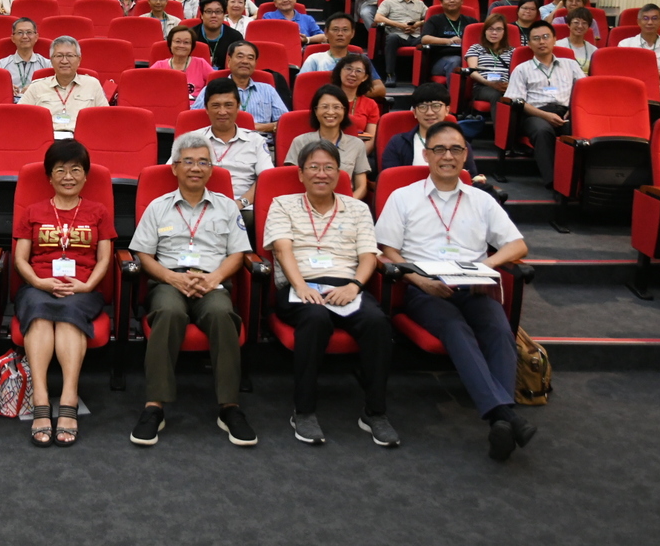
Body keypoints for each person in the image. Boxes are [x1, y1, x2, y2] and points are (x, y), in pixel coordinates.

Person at [374, 121, 533, 461]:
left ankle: (499, 421)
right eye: (440, 150)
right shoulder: (403, 198)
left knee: (499, 330)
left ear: (466, 155)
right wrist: (418, 280)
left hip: (473, 286)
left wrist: (486, 268)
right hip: (425, 289)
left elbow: (517, 245)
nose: (448, 156)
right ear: (426, 155)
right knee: (455, 329)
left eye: (456, 149)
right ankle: (505, 415)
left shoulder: (481, 200)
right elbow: (387, 250)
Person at [264, 139, 398, 447]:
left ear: (340, 174)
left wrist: (354, 286)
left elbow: (368, 256)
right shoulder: (283, 204)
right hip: (301, 286)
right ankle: (304, 411)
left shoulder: (357, 208)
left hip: (345, 285)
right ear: (300, 174)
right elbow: (283, 251)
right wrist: (301, 287)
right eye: (313, 167)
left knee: (377, 323)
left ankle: (375, 412)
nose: (321, 174)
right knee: (315, 317)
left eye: (328, 168)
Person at [128, 132, 256, 448]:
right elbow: (143, 255)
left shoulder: (227, 207)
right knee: (169, 312)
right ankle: (154, 406)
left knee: (222, 313)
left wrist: (214, 279)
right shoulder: (158, 207)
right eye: (188, 161)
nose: (195, 168)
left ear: (212, 169)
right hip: (169, 281)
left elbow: (238, 254)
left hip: (211, 281)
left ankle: (229, 406)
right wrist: (171, 278)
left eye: (203, 162)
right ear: (174, 167)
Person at [14, 140, 116, 446]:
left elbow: (104, 258)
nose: (68, 176)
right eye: (60, 170)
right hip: (38, 286)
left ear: (85, 176)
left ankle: (69, 395)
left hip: (82, 288)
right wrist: (40, 282)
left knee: (70, 315)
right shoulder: (33, 211)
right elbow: (20, 258)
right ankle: (41, 399)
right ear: (49, 176)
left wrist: (86, 286)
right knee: (40, 316)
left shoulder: (98, 212)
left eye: (75, 170)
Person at [504, 20, 586, 183]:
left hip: (566, 112)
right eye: (536, 38)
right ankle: (554, 182)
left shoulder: (570, 64)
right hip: (535, 115)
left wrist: (572, 108)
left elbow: (584, 90)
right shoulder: (522, 69)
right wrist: (545, 115)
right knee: (542, 131)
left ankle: (579, 181)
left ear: (555, 39)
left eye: (546, 37)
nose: (541, 42)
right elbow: (516, 101)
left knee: (579, 132)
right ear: (529, 43)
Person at [184, 78, 272, 226]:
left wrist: (241, 202)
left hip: (242, 208)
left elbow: (266, 179)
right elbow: (174, 172)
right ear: (206, 108)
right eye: (216, 106)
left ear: (238, 106)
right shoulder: (191, 140)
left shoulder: (255, 141)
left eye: (228, 105)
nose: (222, 112)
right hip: (198, 204)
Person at [284, 85, 370, 199]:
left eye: (336, 107)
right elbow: (292, 184)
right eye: (324, 107)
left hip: (345, 206)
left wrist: (347, 206)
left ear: (344, 111)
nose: (330, 112)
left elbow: (362, 186)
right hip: (306, 205)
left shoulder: (357, 144)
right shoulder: (300, 142)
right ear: (316, 110)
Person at [193, 40, 289, 141]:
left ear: (255, 63)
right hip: (219, 142)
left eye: (250, 58)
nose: (245, 61)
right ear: (229, 61)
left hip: (261, 144)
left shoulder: (268, 90)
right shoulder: (212, 88)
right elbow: (195, 120)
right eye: (240, 56)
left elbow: (284, 123)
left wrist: (257, 127)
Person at [381, 83, 481, 177]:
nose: (429, 112)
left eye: (436, 106)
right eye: (423, 107)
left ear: (447, 110)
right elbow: (391, 179)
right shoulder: (398, 143)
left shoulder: (460, 144)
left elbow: (470, 179)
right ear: (415, 112)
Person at [19, 36, 109, 133]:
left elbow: (104, 118)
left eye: (70, 56)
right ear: (51, 60)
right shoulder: (36, 87)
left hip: (81, 141)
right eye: (59, 56)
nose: (64, 61)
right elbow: (20, 118)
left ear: (79, 60)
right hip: (47, 140)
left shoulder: (92, 84)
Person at [301, 15, 386, 99]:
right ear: (326, 33)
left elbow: (380, 89)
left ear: (352, 33)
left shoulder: (361, 61)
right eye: (335, 30)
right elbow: (300, 89)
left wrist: (351, 93)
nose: (340, 34)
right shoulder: (314, 59)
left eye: (345, 30)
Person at [373, 0, 426, 83]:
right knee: (391, 38)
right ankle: (390, 74)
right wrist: (399, 25)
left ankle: (425, 76)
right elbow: (378, 18)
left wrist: (417, 24)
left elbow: (430, 19)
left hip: (415, 36)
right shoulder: (389, 2)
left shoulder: (420, 4)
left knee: (428, 39)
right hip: (397, 36)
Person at [420, 0, 479, 80]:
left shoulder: (471, 21)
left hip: (468, 58)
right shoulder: (435, 20)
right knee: (455, 61)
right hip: (441, 61)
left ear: (462, 1)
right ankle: (454, 94)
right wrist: (449, 40)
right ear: (442, 2)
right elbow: (425, 39)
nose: (452, 1)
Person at [331, 54, 379, 153]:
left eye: (358, 71)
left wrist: (356, 157)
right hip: (328, 150)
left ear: (365, 77)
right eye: (348, 69)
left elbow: (371, 139)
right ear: (340, 71)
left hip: (358, 153)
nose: (353, 74)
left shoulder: (371, 104)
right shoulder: (327, 100)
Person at [619, 3, 660, 84]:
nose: (650, 22)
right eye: (645, 18)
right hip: (635, 87)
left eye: (654, 18)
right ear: (639, 22)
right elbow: (622, 72)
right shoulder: (625, 45)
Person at [465, 13, 516, 108]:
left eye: (498, 29)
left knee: (515, 97)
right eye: (490, 29)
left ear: (504, 32)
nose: (494, 33)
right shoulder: (476, 48)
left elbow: (517, 73)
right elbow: (472, 71)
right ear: (485, 31)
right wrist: (489, 83)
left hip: (506, 86)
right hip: (483, 86)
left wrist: (509, 86)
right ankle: (500, 123)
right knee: (496, 95)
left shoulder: (512, 51)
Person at [151, 25, 214, 99]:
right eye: (178, 41)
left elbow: (216, 84)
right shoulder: (159, 66)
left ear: (192, 46)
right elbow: (147, 87)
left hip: (194, 107)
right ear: (170, 44)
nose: (181, 45)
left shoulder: (201, 63)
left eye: (186, 42)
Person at [0, 17, 49, 100]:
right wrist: (5, 88)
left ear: (36, 37)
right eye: (20, 33)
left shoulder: (47, 64)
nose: (24, 36)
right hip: (10, 106)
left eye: (29, 32)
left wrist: (36, 88)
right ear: (13, 38)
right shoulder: (1, 65)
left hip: (37, 104)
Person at [191, 0, 244, 70]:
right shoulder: (191, 35)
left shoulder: (235, 37)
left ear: (224, 15)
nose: (213, 15)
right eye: (209, 11)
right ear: (202, 15)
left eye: (218, 12)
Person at [561, 7, 597, 75]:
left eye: (584, 23)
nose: (580, 26)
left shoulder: (594, 50)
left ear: (588, 27)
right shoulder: (558, 46)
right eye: (576, 22)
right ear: (568, 24)